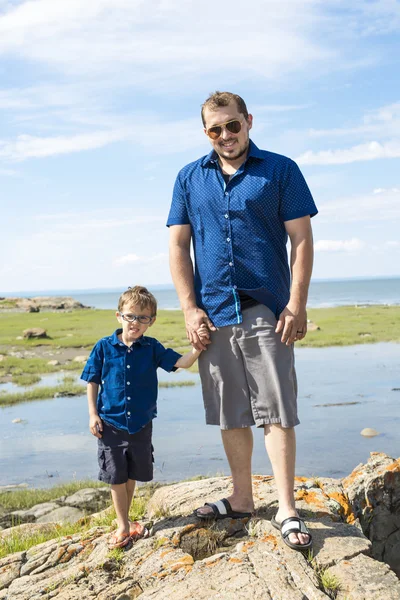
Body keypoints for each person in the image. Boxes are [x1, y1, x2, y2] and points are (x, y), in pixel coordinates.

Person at [167, 91, 318, 551]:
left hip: (267, 311)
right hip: (213, 313)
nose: (226, 136)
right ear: (206, 132)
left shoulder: (281, 170)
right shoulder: (188, 178)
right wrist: (190, 309)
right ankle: (243, 497)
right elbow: (177, 247)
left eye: (233, 126)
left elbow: (302, 240)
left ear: (248, 121)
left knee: (276, 411)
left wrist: (296, 304)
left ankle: (288, 509)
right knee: (231, 412)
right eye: (216, 129)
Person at [81, 285, 201, 549]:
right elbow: (92, 381)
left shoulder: (152, 348)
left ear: (151, 321)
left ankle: (127, 519)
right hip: (110, 423)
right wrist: (92, 414)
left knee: (132, 472)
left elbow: (183, 362)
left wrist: (198, 349)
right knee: (116, 476)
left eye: (142, 318)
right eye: (130, 316)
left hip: (141, 424)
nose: (135, 322)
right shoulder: (104, 347)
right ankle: (122, 525)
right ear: (119, 316)